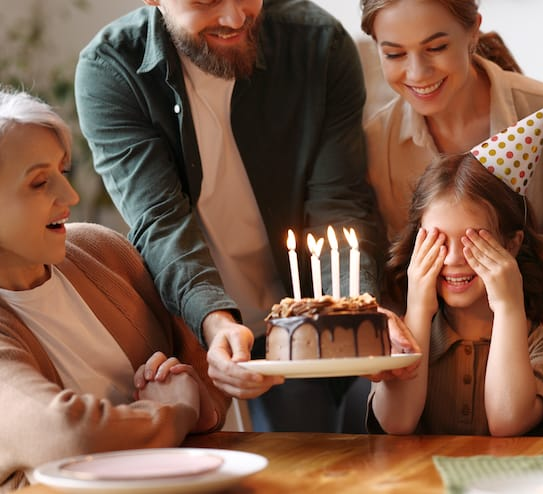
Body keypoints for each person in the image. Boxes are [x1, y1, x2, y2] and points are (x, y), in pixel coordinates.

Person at [74, 0, 390, 432]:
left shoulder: (318, 44)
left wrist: (357, 312)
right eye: (205, 1)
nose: (235, 18)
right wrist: (215, 321)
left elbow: (339, 202)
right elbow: (161, 221)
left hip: (304, 322)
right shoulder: (112, 70)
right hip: (196, 323)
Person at [0, 88, 229, 492]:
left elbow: (206, 374)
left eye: (62, 172)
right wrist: (174, 411)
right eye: (39, 182)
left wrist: (198, 402)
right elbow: (70, 436)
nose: (69, 197)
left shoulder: (102, 250)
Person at [359, 0, 543, 329]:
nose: (417, 72)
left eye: (437, 47)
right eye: (394, 54)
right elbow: (390, 277)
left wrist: (539, 342)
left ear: (473, 31)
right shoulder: (375, 143)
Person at [368, 104, 543, 436]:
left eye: (472, 240)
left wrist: (508, 306)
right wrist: (418, 308)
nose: (452, 258)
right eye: (436, 240)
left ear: (510, 244)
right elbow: (396, 422)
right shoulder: (396, 338)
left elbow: (508, 423)